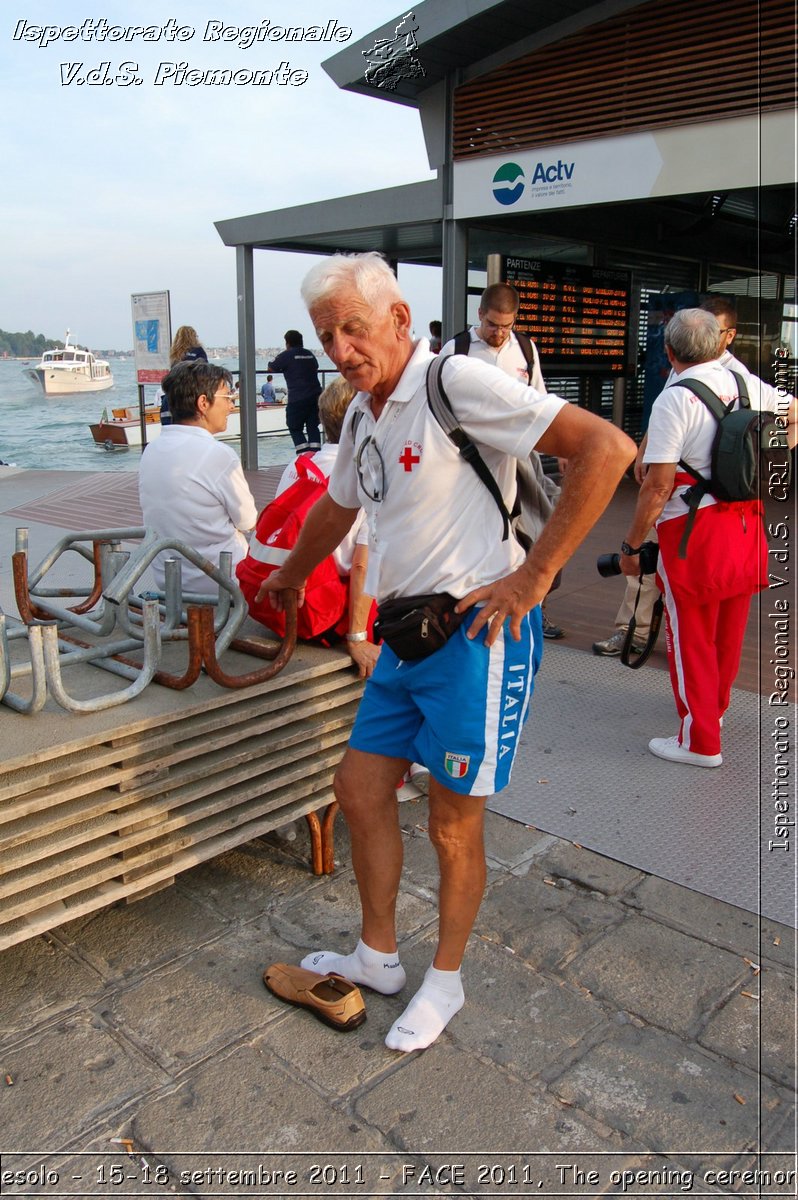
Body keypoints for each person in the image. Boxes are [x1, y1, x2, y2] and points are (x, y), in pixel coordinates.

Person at [257, 251, 635, 1052]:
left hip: (477, 638)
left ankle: (447, 980)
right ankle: (378, 956)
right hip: (403, 636)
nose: (340, 350)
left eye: (352, 330)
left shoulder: (454, 383)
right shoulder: (363, 410)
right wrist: (290, 574)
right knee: (358, 791)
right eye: (328, 336)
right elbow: (336, 507)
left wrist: (533, 577)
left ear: (398, 319)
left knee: (452, 823)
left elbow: (606, 449)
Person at [619, 308, 796, 766]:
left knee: (691, 635)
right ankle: (712, 714)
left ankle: (699, 743)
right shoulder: (747, 385)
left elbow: (658, 486)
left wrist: (633, 545)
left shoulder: (674, 398)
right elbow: (794, 413)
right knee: (728, 630)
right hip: (745, 523)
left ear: (669, 350)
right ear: (719, 343)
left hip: (691, 532)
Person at [593, 296, 782, 657]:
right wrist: (647, 448)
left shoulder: (740, 378)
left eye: (715, 327)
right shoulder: (685, 374)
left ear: (728, 335)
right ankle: (635, 630)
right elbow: (665, 413)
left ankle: (685, 645)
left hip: (692, 498)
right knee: (650, 563)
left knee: (688, 585)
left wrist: (752, 465)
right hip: (680, 493)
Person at [440, 282, 565, 639]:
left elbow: (540, 400)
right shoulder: (458, 349)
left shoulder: (524, 348)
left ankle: (535, 609)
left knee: (532, 531)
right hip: (472, 463)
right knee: (479, 533)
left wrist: (560, 449)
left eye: (506, 326)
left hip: (519, 457)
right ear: (480, 315)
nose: (499, 334)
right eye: (493, 325)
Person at [273, 376, 380, 680]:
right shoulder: (368, 476)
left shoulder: (298, 467)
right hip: (331, 612)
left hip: (290, 606)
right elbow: (362, 564)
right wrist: (357, 637)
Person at [139, 360, 257, 597]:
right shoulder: (218, 455)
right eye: (227, 398)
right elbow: (248, 522)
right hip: (220, 580)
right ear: (203, 403)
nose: (231, 406)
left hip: (169, 580)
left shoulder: (151, 450)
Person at [268, 330, 322, 453]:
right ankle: (316, 455)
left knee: (294, 427)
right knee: (313, 426)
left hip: (298, 397)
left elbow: (271, 367)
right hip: (315, 396)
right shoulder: (309, 354)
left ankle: (304, 455)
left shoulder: (287, 355)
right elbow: (316, 366)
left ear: (287, 343)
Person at [159, 326, 209, 426]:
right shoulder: (198, 351)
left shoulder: (174, 353)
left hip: (174, 391)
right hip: (191, 391)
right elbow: (205, 371)